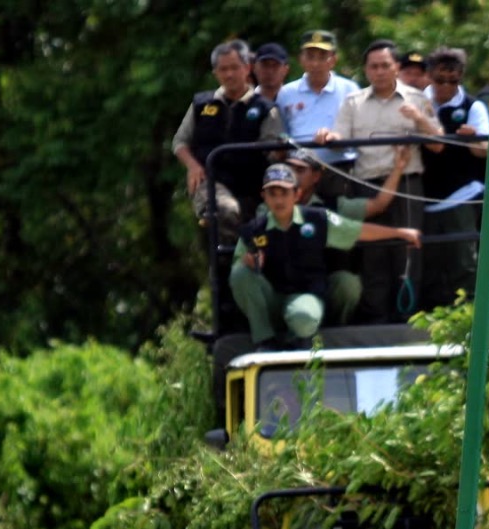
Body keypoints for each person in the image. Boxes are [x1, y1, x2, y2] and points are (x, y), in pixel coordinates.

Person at [317, 40, 443, 323]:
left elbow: (438, 144)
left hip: (408, 184)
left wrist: (419, 119)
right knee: (373, 256)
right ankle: (377, 319)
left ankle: (408, 319)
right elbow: (339, 138)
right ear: (366, 70)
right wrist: (328, 137)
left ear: (396, 67)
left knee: (408, 252)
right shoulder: (353, 102)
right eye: (374, 66)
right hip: (368, 184)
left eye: (386, 65)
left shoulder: (416, 99)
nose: (380, 71)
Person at [230, 163, 422, 348]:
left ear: (296, 194)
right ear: (264, 196)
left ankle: (299, 338)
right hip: (272, 299)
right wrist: (248, 262)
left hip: (305, 297)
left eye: (284, 193)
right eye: (273, 194)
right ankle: (265, 341)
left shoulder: (317, 219)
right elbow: (239, 270)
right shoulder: (254, 230)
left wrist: (399, 233)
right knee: (239, 273)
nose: (279, 200)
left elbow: (357, 231)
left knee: (304, 317)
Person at [171, 40, 284, 245]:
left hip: (253, 185)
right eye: (223, 69)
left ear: (247, 68)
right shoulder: (201, 104)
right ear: (216, 73)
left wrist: (280, 153)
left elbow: (272, 151)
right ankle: (234, 262)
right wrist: (192, 165)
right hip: (211, 181)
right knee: (226, 210)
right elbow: (180, 142)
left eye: (234, 67)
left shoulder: (266, 108)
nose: (229, 74)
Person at [285, 146, 413, 325]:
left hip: (321, 283)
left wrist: (398, 168)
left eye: (299, 170)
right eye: (288, 169)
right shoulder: (272, 204)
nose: (293, 176)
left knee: (348, 284)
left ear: (316, 176)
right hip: (285, 285)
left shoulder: (333, 206)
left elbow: (378, 204)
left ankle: (334, 331)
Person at [420, 47, 489, 310]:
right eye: (440, 80)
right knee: (427, 263)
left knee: (463, 261)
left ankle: (470, 314)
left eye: (453, 80)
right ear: (429, 76)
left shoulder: (474, 107)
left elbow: (485, 151)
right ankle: (427, 317)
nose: (446, 87)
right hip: (421, 194)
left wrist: (470, 139)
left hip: (461, 194)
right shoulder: (416, 102)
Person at [277, 29, 360, 197]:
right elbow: (283, 131)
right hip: (298, 170)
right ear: (301, 59)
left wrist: (337, 138)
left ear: (333, 60)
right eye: (310, 56)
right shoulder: (286, 93)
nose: (315, 63)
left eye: (322, 57)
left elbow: (360, 130)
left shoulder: (350, 89)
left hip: (339, 168)